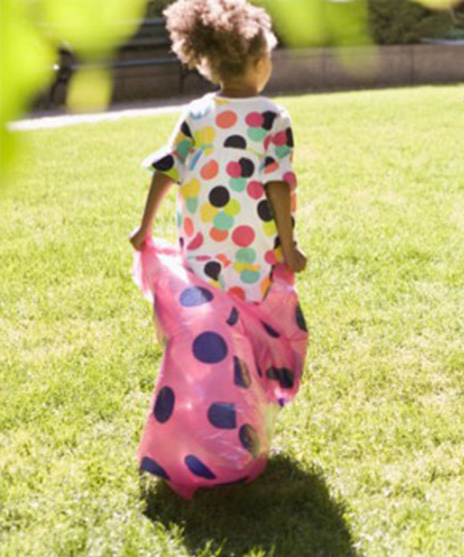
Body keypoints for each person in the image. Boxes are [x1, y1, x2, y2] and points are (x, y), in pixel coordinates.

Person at [129, 0, 308, 497]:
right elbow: (278, 183)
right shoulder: (273, 115)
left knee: (214, 345)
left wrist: (144, 227)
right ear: (257, 62)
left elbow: (166, 169)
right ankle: (235, 443)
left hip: (203, 254)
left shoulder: (196, 113)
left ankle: (208, 435)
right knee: (245, 349)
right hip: (252, 260)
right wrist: (289, 245)